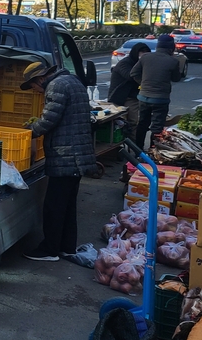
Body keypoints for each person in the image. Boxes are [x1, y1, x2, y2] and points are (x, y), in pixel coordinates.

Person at [20, 61, 97, 262]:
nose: (36, 91)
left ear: (39, 79)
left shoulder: (56, 86)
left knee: (54, 206)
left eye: (34, 87)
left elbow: (49, 120)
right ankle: (66, 247)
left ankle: (50, 249)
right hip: (77, 154)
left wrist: (29, 131)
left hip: (66, 155)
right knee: (68, 205)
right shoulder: (71, 80)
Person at [130, 34, 183, 148]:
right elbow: (176, 78)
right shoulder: (172, 61)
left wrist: (143, 83)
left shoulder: (146, 57)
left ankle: (138, 150)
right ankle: (153, 150)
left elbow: (133, 73)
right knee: (157, 127)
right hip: (160, 99)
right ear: (171, 48)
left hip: (143, 96)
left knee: (142, 123)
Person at [108, 42, 151, 141]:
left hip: (134, 97)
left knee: (133, 122)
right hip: (119, 96)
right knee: (119, 122)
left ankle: (135, 147)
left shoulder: (144, 64)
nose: (144, 55)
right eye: (142, 52)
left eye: (146, 53)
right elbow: (130, 75)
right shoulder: (125, 63)